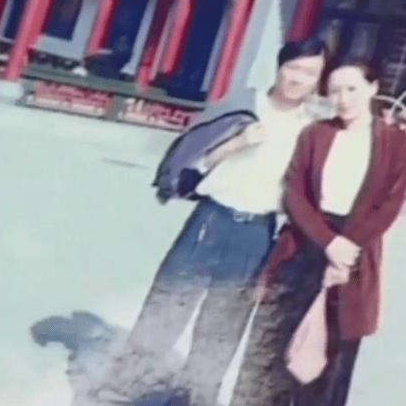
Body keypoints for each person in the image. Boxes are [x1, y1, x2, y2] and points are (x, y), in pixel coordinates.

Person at [91, 39, 328, 406]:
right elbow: (189, 168)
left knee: (222, 329)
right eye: (293, 68)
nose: (298, 79)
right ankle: (119, 393)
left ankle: (196, 399)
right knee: (166, 308)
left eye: (309, 73)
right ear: (279, 68)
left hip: (258, 234)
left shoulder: (311, 131)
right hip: (211, 220)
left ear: (318, 81)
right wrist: (235, 145)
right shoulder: (242, 106)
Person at [229, 57, 406, 406]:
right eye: (335, 91)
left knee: (332, 356)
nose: (343, 99)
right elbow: (295, 193)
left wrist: (347, 248)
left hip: (355, 254)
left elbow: (390, 205)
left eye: (352, 89)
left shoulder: (397, 142)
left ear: (373, 88)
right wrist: (329, 243)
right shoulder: (315, 134)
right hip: (305, 244)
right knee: (271, 348)